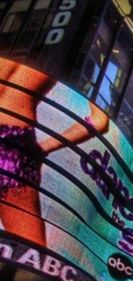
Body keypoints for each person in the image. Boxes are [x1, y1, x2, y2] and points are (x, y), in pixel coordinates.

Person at [0, 59, 109, 246]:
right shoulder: (90, 51)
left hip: (15, 144)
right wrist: (43, 148)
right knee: (30, 254)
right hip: (14, 148)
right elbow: (100, 121)